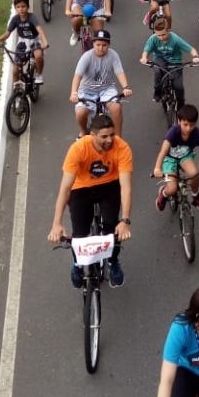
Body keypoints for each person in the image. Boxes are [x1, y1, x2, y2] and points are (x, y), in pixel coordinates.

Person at [47, 113, 132, 288]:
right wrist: (56, 223)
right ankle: (77, 263)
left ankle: (113, 261)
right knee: (79, 234)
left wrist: (125, 220)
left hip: (109, 186)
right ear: (92, 135)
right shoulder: (78, 149)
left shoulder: (122, 148)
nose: (110, 140)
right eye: (104, 136)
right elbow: (65, 188)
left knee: (112, 229)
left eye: (112, 135)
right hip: (81, 188)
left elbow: (125, 186)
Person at [153, 104, 199, 212]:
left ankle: (195, 195)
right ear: (179, 121)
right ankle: (163, 194)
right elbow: (163, 151)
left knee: (194, 174)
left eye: (192, 125)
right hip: (170, 159)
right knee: (172, 188)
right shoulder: (173, 132)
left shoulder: (196, 133)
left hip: (185, 157)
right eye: (185, 124)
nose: (188, 128)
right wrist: (157, 168)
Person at [70, 28, 131, 137]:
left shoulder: (113, 55)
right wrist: (74, 92)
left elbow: (120, 72)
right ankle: (84, 130)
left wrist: (125, 87)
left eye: (104, 45)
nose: (101, 48)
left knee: (116, 108)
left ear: (109, 45)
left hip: (106, 89)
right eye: (98, 45)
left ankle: (118, 138)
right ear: (93, 44)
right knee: (80, 113)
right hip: (87, 90)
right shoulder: (86, 57)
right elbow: (77, 76)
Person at [140, 17, 199, 108]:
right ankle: (157, 92)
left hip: (175, 62)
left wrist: (195, 57)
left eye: (163, 34)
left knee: (178, 86)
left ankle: (181, 104)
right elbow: (146, 51)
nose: (161, 38)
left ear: (168, 30)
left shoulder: (175, 39)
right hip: (160, 59)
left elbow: (191, 49)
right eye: (158, 35)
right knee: (157, 72)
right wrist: (144, 58)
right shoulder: (153, 39)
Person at [0, 0, 49, 86]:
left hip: (34, 40)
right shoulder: (15, 19)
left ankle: (39, 74)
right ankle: (17, 89)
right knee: (15, 70)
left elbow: (39, 29)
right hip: (23, 42)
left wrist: (45, 42)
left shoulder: (32, 17)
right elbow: (7, 33)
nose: (21, 9)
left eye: (23, 6)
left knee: (38, 56)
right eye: (18, 7)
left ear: (28, 7)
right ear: (15, 8)